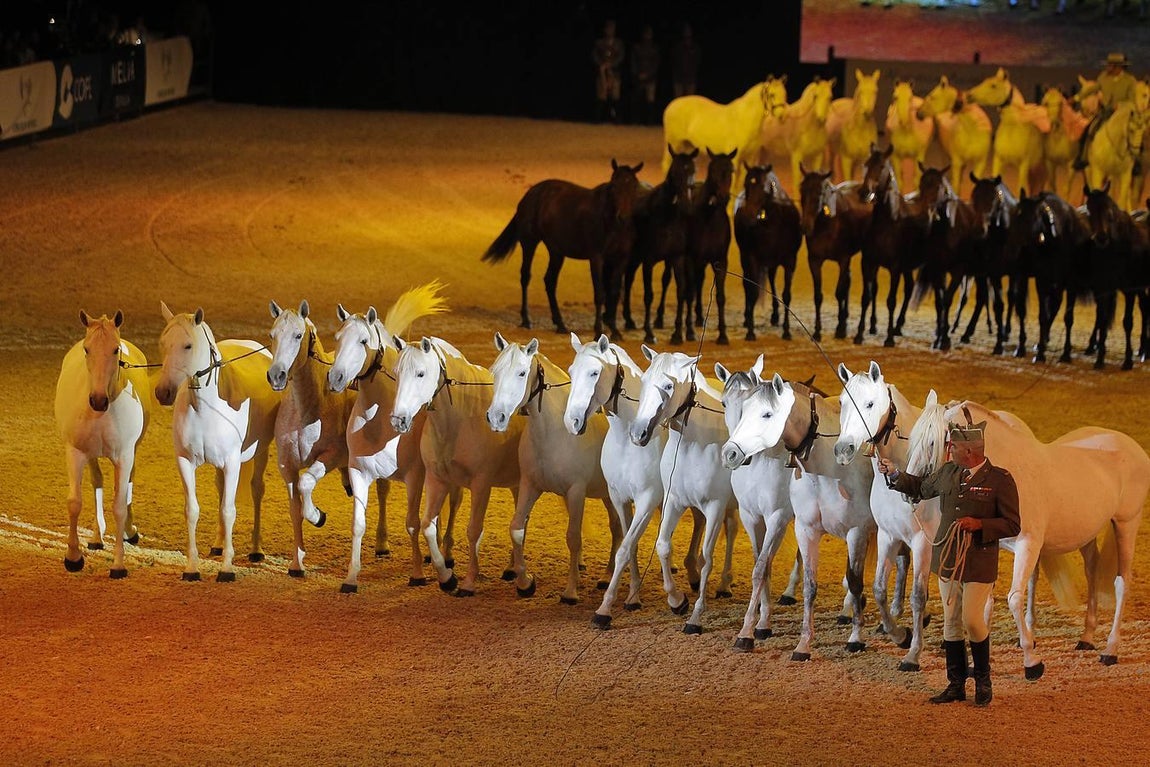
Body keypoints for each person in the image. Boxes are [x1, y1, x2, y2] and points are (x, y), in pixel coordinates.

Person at [877, 421, 1021, 707]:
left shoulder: (1000, 480)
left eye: (952, 446)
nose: (948, 450)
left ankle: (983, 679)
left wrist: (980, 524)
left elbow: (1013, 524)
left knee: (972, 620)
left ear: (969, 451)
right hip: (948, 557)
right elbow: (920, 487)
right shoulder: (948, 472)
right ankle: (955, 684)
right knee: (951, 624)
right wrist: (894, 474)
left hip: (978, 561)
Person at [1073, 52, 1139, 171]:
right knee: (1088, 130)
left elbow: (1132, 101)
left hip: (1122, 114)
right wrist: (1076, 98)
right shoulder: (1103, 77)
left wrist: (1120, 106)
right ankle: (1082, 157)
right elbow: (1092, 89)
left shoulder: (1130, 81)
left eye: (1110, 65)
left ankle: (1136, 162)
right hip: (1105, 113)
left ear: (1118, 67)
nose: (1107, 67)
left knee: (1135, 133)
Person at [591, 19, 624, 123]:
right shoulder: (599, 43)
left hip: (615, 73)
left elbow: (621, 57)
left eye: (612, 28)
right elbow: (594, 55)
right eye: (608, 28)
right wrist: (602, 64)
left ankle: (615, 119)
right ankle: (599, 119)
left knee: (615, 96)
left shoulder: (619, 43)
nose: (610, 30)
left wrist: (612, 64)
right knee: (602, 95)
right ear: (605, 30)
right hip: (602, 73)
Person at [629, 24, 660, 125]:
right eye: (646, 34)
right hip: (638, 77)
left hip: (650, 78)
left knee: (650, 101)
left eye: (649, 34)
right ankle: (636, 121)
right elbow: (633, 62)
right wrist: (638, 74)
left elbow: (656, 63)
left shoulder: (654, 48)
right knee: (637, 99)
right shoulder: (637, 47)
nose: (647, 36)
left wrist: (648, 74)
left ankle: (650, 122)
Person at [670, 23, 700, 99]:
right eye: (686, 30)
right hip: (679, 78)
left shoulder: (695, 47)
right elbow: (674, 61)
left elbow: (697, 61)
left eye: (689, 30)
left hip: (690, 79)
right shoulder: (678, 46)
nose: (687, 32)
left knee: (689, 100)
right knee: (678, 100)